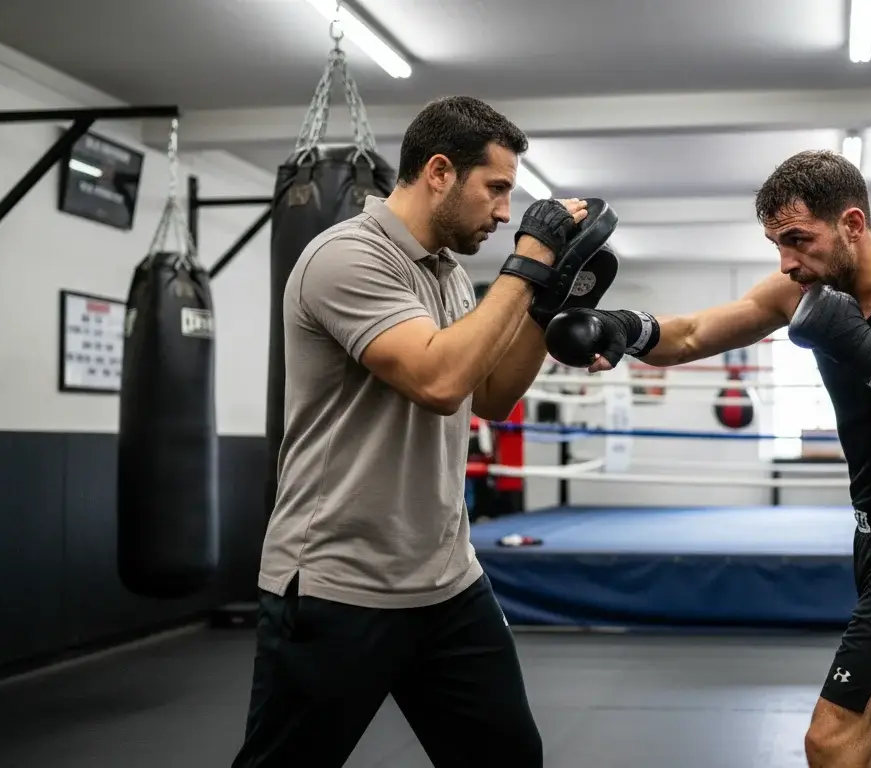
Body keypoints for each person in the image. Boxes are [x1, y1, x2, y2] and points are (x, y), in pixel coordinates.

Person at [543, 150, 871, 768]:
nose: (788, 261)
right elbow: (692, 333)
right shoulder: (804, 288)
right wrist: (621, 328)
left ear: (852, 223)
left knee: (832, 742)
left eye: (798, 240)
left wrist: (859, 346)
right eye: (776, 243)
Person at [232, 95, 597, 767]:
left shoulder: (450, 274)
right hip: (339, 584)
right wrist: (527, 264)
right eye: (496, 189)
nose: (503, 211)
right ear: (438, 172)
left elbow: (488, 396)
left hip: (447, 582)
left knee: (509, 758)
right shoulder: (345, 258)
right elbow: (437, 381)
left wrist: (550, 303)